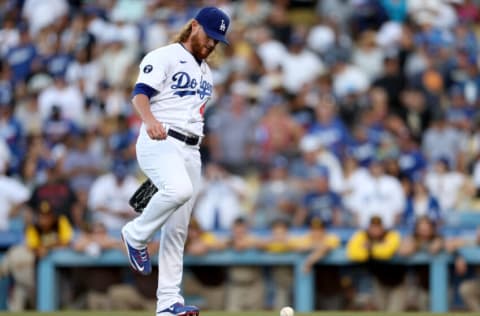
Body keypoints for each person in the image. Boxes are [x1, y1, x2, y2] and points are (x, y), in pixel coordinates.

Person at [120, 6, 230, 316]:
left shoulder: (206, 71)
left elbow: (195, 114)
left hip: (190, 150)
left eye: (217, 41)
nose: (211, 44)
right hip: (160, 138)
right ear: (194, 26)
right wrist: (149, 119)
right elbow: (139, 94)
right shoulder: (164, 55)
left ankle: (168, 304)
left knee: (178, 230)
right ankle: (135, 234)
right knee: (179, 190)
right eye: (209, 36)